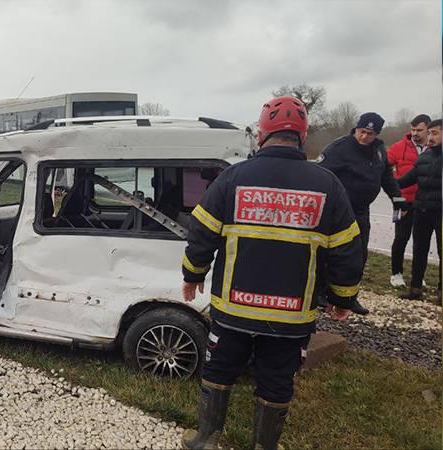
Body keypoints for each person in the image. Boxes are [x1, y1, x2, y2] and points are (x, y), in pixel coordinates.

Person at [181, 96, 362, 450]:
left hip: (234, 309)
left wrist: (193, 274)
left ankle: (206, 439)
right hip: (291, 315)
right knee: (277, 381)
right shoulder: (327, 185)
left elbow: (201, 232)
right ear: (303, 135)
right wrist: (343, 298)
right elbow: (346, 251)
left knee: (219, 371)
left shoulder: (233, 178)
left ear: (261, 134)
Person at [317, 112, 407, 315]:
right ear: (356, 129)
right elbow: (320, 174)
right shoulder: (339, 148)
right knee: (329, 252)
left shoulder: (379, 151)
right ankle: (321, 292)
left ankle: (349, 298)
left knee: (358, 254)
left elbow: (387, 177)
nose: (365, 137)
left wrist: (398, 199)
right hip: (337, 210)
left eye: (370, 133)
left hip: (360, 210)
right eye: (362, 131)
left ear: (377, 134)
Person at [397, 119, 442, 301]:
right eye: (429, 133)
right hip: (422, 210)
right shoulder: (424, 157)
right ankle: (415, 289)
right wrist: (385, 180)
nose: (430, 137)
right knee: (419, 250)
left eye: (435, 133)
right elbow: (406, 180)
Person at [387, 114, 430, 287]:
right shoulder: (398, 147)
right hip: (402, 201)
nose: (415, 133)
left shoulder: (434, 148)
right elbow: (383, 166)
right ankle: (396, 273)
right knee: (401, 237)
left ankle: (418, 276)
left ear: (428, 129)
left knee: (421, 241)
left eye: (419, 130)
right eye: (413, 129)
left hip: (424, 202)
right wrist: (392, 187)